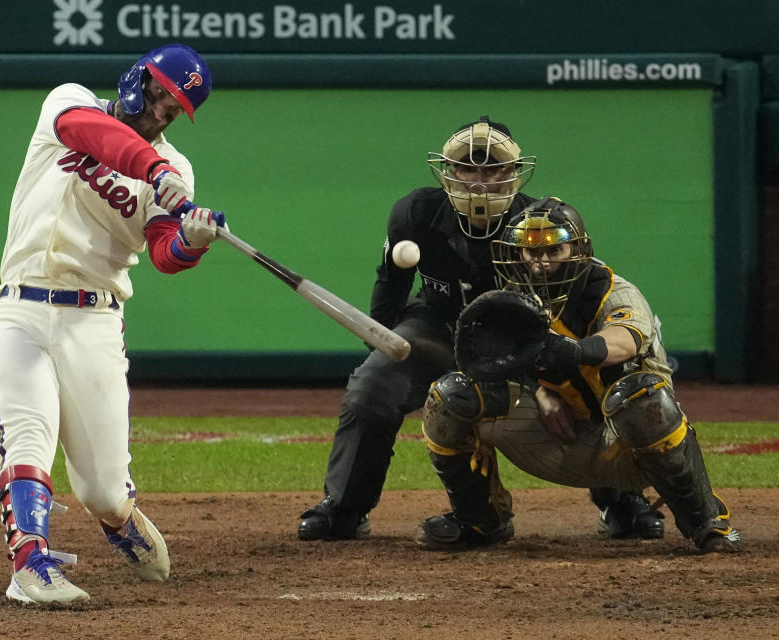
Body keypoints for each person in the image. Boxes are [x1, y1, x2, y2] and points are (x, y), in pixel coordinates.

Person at [0, 44, 225, 604]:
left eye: (175, 108)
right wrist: (154, 168)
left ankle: (119, 519)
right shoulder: (69, 103)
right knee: (29, 430)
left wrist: (191, 237)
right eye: (162, 94)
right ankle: (30, 564)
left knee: (102, 490)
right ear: (139, 76)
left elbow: (164, 252)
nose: (162, 111)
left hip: (93, 320)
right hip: (19, 308)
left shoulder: (176, 171)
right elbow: (91, 133)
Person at [415, 196, 741, 553]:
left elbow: (625, 340)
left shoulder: (612, 292)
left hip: (624, 443)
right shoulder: (512, 298)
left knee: (641, 396)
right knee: (450, 397)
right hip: (556, 435)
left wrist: (574, 351)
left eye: (552, 251)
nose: (539, 263)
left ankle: (706, 523)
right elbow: (499, 366)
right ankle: (479, 520)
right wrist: (540, 392)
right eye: (529, 252)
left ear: (577, 250)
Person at [296, 117, 540, 540]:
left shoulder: (539, 225)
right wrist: (381, 351)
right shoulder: (416, 214)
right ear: (449, 172)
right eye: (468, 169)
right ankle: (345, 508)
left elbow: (565, 311)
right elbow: (391, 287)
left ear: (512, 174)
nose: (479, 182)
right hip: (437, 328)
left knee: (587, 388)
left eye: (492, 170)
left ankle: (621, 504)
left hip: (518, 341)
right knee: (372, 386)